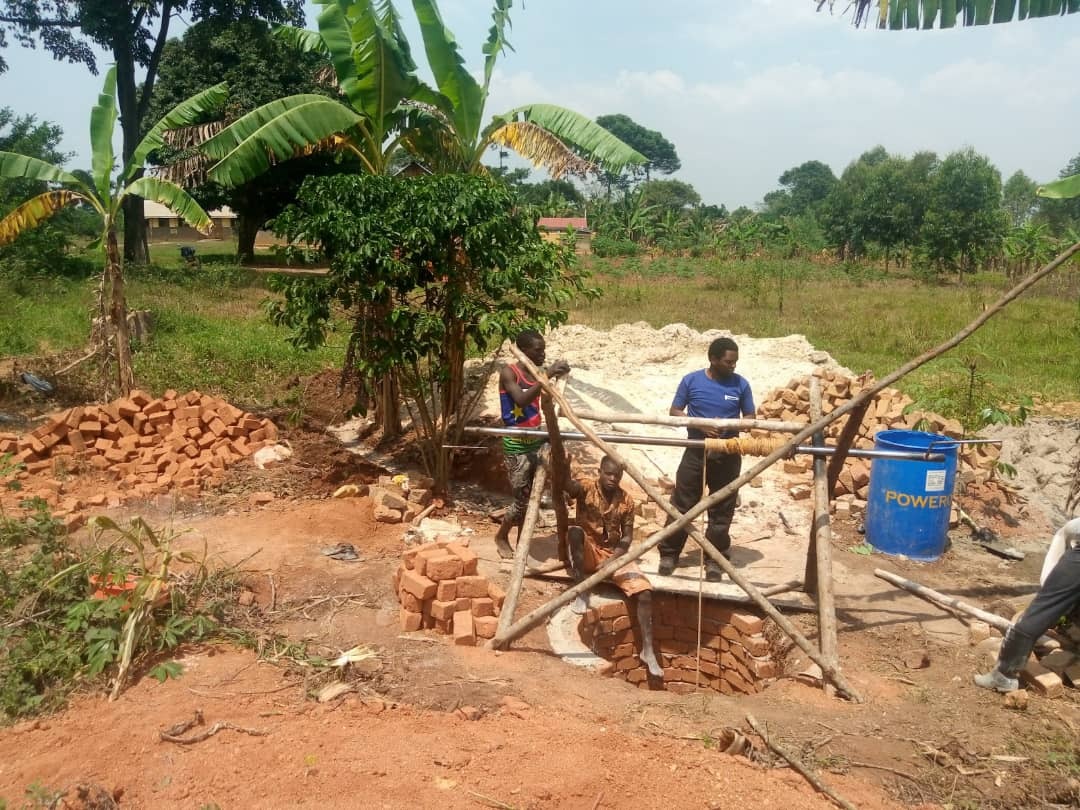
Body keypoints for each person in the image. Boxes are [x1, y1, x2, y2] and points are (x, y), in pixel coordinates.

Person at [660, 336, 755, 582]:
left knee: (722, 508)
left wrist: (730, 425)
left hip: (728, 454)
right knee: (682, 503)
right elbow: (675, 411)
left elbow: (750, 417)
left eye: (735, 362)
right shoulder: (691, 380)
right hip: (696, 451)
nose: (733, 366)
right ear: (713, 359)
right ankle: (669, 554)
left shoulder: (741, 385)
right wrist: (699, 424)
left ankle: (715, 559)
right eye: (728, 362)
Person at [565, 455, 663, 678]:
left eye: (616, 475)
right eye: (608, 474)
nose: (612, 478)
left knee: (644, 592)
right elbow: (569, 488)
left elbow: (627, 538)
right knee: (575, 532)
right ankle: (581, 590)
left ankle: (647, 650)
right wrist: (563, 469)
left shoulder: (626, 500)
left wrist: (613, 560)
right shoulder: (587, 487)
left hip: (614, 554)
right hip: (589, 549)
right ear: (599, 471)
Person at [974, 517, 1080, 693]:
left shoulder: (1069, 532)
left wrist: (1049, 597)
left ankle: (1004, 676)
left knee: (1038, 612)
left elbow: (1048, 581)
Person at [494, 329, 569, 559]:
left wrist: (557, 374)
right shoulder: (509, 373)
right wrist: (547, 375)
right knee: (521, 501)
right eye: (538, 350)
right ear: (524, 351)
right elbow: (521, 400)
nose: (542, 355)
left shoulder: (538, 373)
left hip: (535, 440)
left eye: (544, 350)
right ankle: (501, 536)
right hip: (516, 445)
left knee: (532, 498)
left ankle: (522, 546)